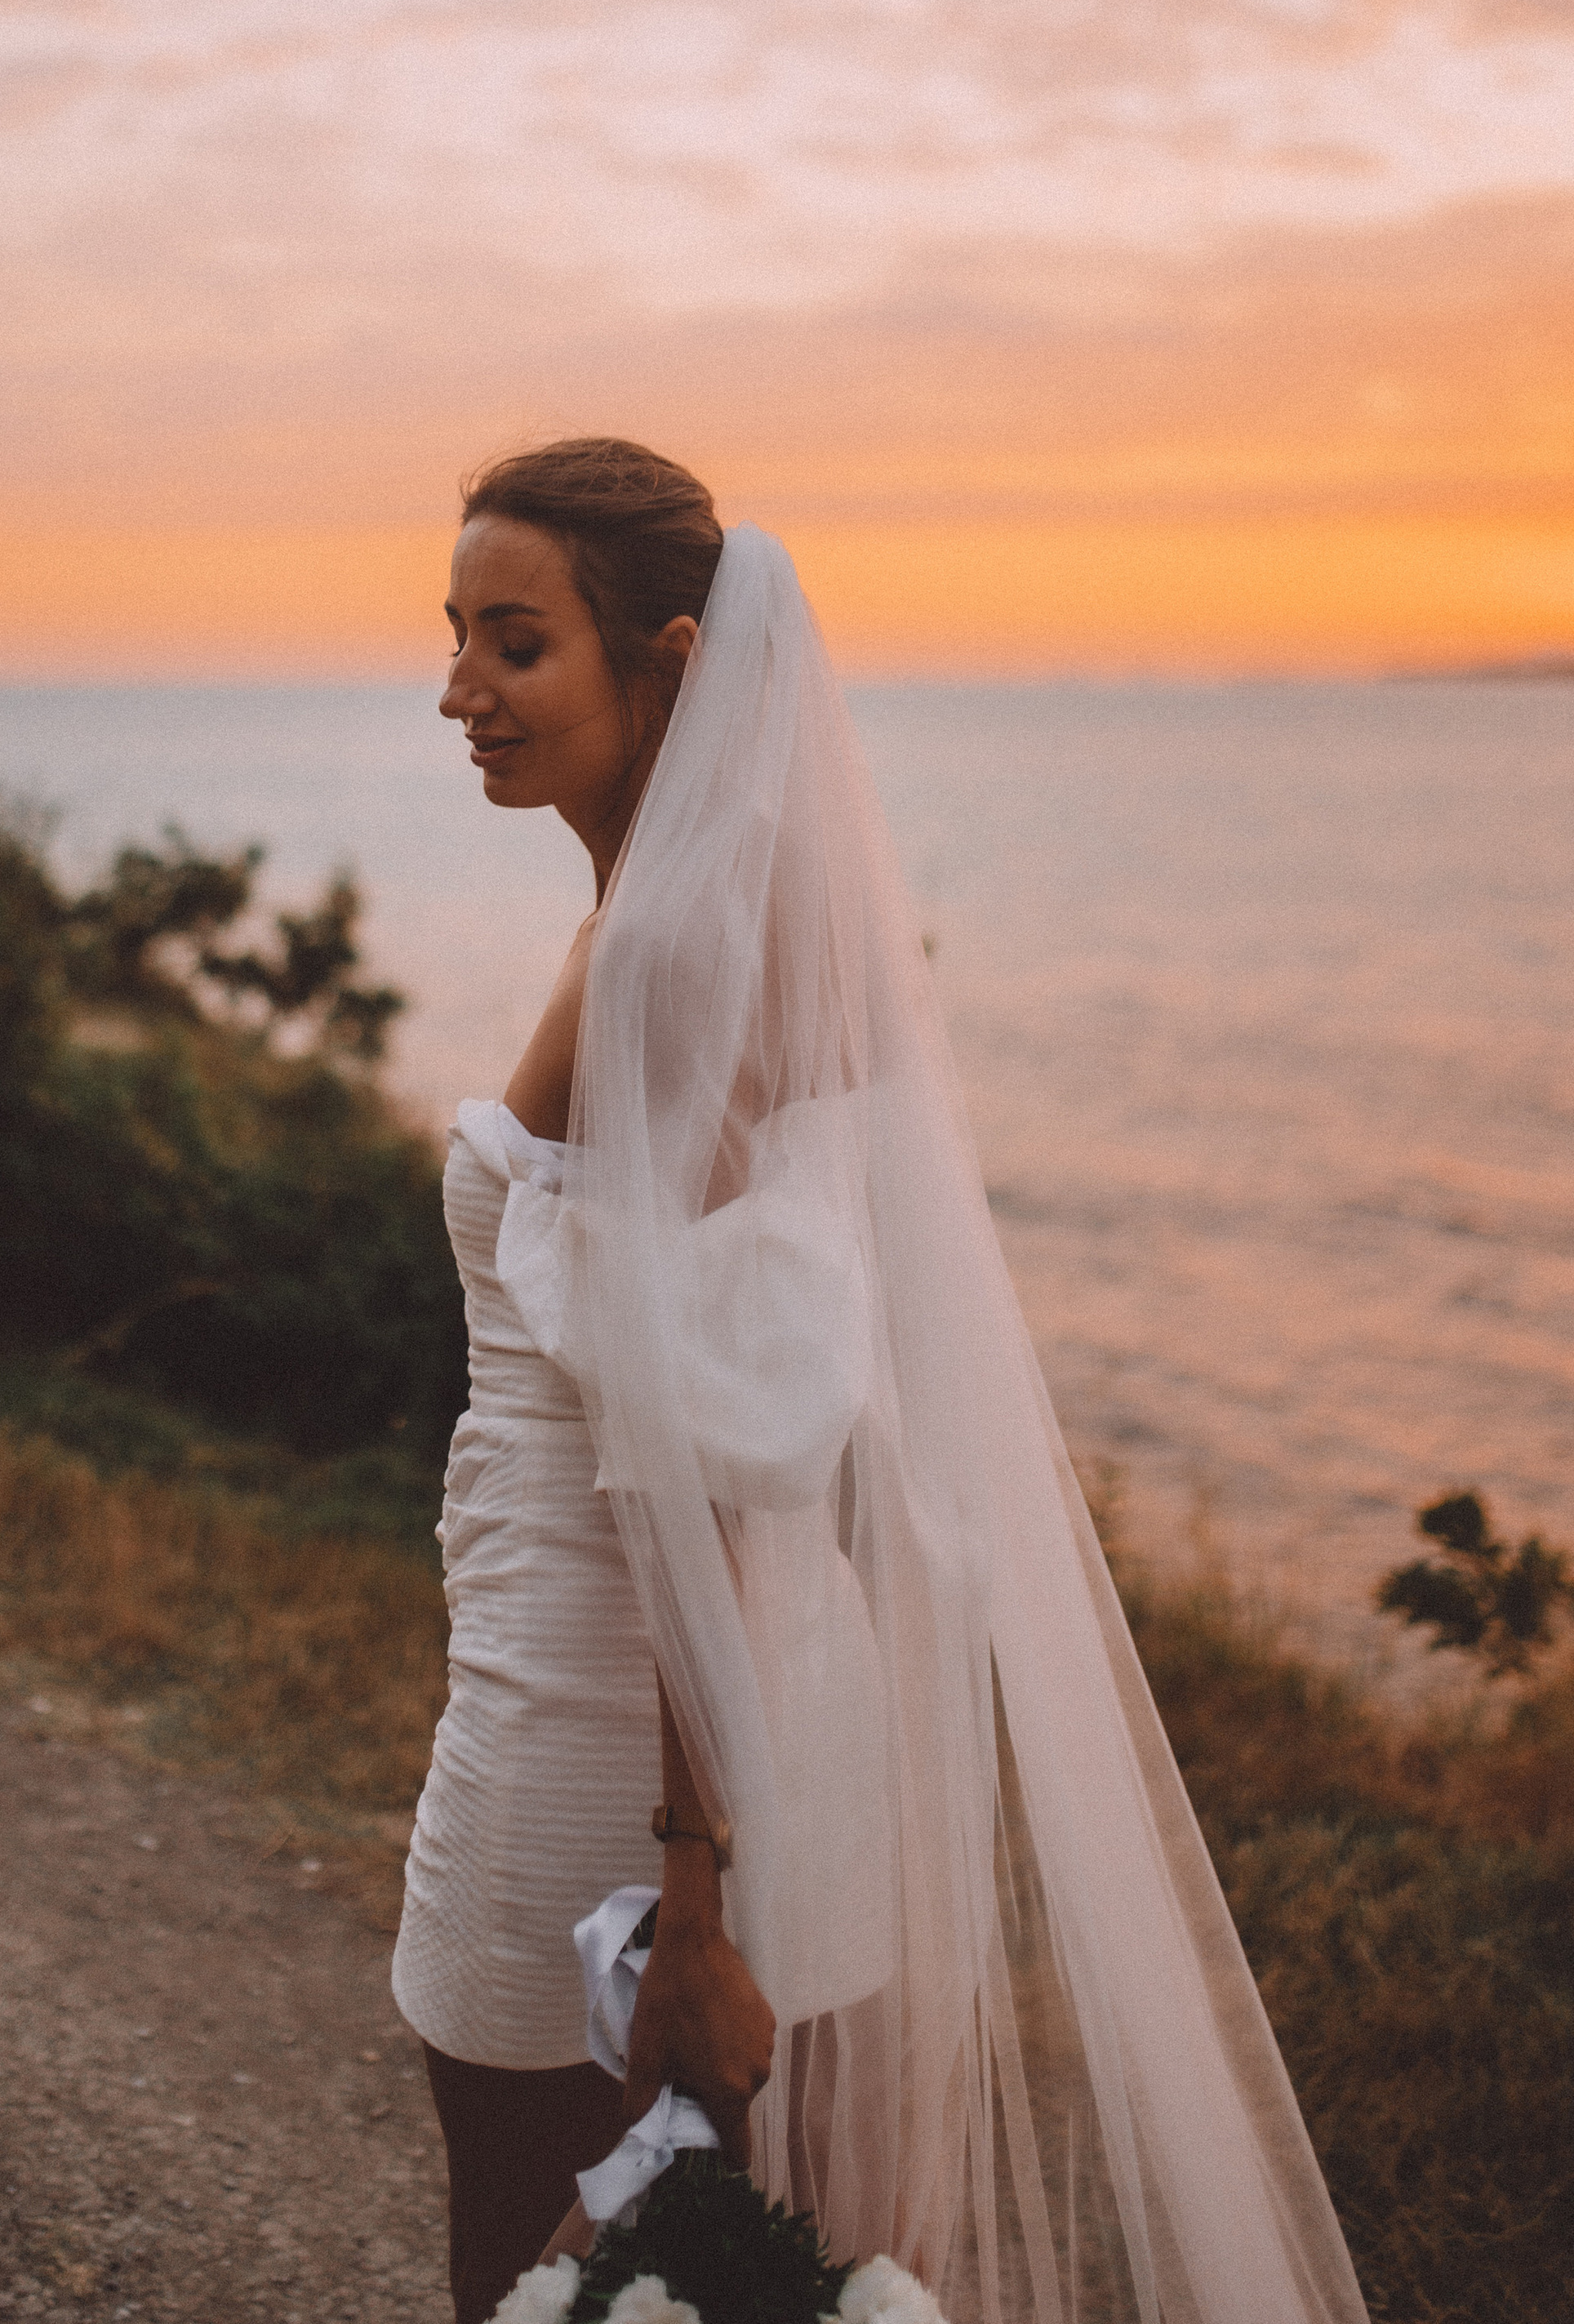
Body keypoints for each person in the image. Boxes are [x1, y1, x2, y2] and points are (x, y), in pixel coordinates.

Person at [393, 438, 1368, 2324]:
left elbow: (700, 1450)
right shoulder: (731, 916)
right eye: (452, 636)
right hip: (753, 1730)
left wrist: (691, 1892)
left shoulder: (668, 955)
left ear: (665, 661)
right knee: (707, 2272)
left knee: (528, 2262)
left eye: (513, 644)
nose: (458, 689)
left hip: (599, 1737)